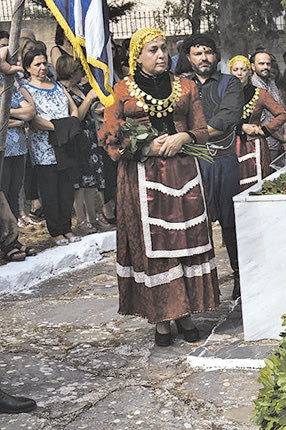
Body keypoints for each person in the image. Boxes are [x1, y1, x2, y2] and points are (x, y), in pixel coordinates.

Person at [98, 27, 220, 346]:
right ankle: (163, 318)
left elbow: (202, 131)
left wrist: (185, 137)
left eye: (163, 48)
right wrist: (144, 147)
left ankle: (187, 313)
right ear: (137, 56)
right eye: (152, 50)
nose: (161, 54)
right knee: (154, 245)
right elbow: (109, 138)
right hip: (142, 179)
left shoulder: (188, 87)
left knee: (185, 241)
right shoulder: (122, 90)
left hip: (183, 173)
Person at [182, 34, 244, 300]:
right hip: (193, 164)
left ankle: (240, 276)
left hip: (224, 160)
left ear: (216, 56)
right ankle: (201, 287)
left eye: (208, 52)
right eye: (197, 53)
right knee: (196, 225)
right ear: (188, 58)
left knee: (231, 222)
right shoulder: (182, 86)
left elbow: (226, 118)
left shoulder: (230, 83)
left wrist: (188, 136)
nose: (204, 58)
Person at [23, 49, 81, 246]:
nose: (42, 67)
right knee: (50, 191)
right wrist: (59, 128)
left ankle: (67, 227)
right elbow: (34, 118)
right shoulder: (26, 89)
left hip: (65, 145)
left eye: (44, 63)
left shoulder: (56, 85)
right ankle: (56, 230)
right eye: (37, 64)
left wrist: (71, 123)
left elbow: (72, 107)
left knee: (66, 189)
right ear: (27, 68)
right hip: (44, 147)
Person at [56, 56, 110, 234]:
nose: (83, 72)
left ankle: (93, 218)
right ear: (72, 70)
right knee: (79, 183)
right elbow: (74, 118)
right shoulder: (61, 90)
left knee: (91, 181)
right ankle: (80, 221)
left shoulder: (78, 88)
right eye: (80, 69)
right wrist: (88, 99)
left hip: (89, 138)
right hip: (75, 140)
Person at [230, 55, 286, 194]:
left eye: (243, 69)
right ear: (230, 71)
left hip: (255, 146)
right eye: (235, 69)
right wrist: (241, 127)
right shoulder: (223, 94)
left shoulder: (260, 94)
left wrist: (265, 130)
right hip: (230, 146)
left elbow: (282, 114)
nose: (239, 73)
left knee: (257, 185)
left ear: (249, 71)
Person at [0, 72, 35, 224]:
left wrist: (8, 113)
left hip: (19, 148)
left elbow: (30, 112)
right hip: (3, 150)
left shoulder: (11, 89)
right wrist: (18, 121)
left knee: (14, 192)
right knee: (4, 193)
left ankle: (14, 236)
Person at [252, 51, 286, 164]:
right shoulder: (253, 87)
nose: (266, 67)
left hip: (281, 143)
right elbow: (262, 121)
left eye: (268, 64)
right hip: (266, 144)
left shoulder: (271, 84)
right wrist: (283, 139)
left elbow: (282, 110)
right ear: (253, 66)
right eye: (261, 64)